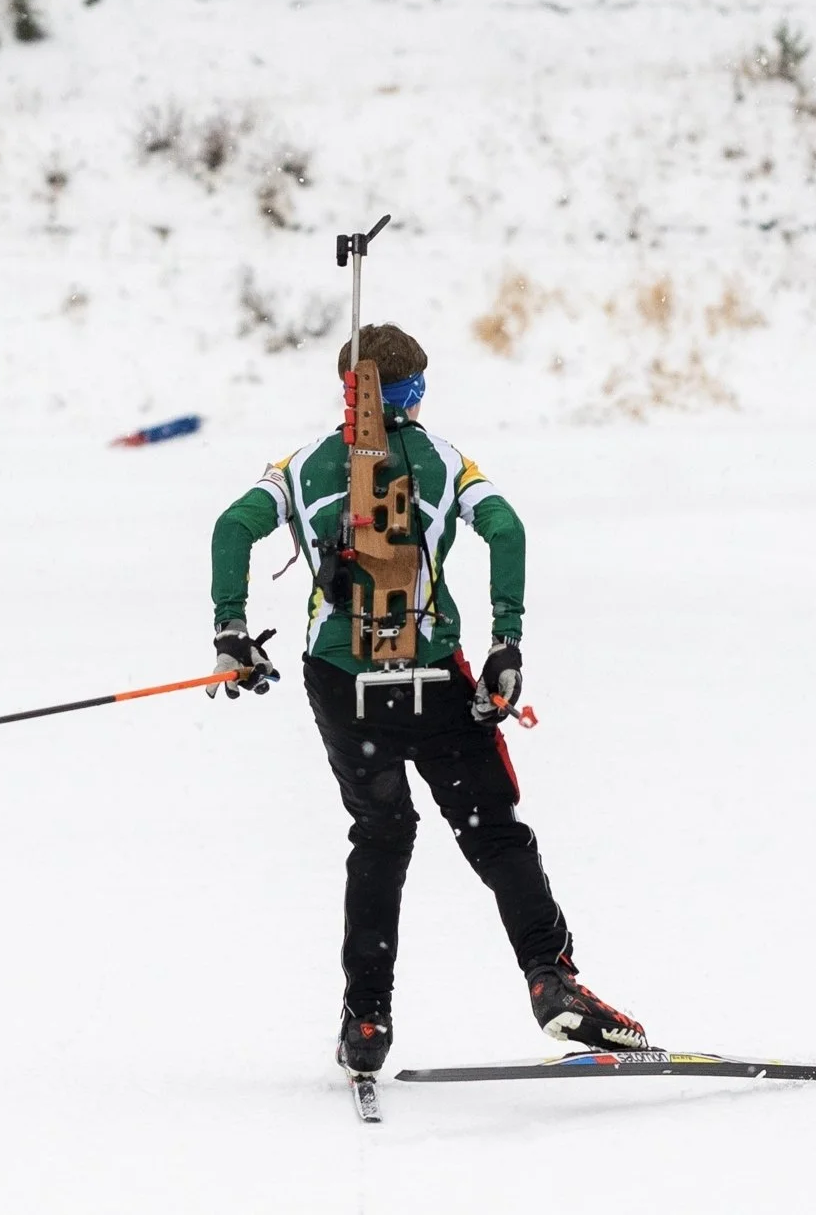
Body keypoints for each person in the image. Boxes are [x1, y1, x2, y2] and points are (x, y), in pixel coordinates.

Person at [206, 323, 648, 1075]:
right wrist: (506, 638)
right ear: (410, 392)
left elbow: (233, 526)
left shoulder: (303, 464)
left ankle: (366, 1022)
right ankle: (551, 980)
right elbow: (504, 528)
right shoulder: (444, 461)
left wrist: (232, 633)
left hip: (343, 684)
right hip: (431, 679)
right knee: (495, 835)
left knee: (381, 836)